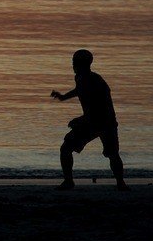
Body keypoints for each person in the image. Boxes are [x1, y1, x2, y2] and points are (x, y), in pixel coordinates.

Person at [51, 49, 128, 191]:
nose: (72, 65)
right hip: (98, 121)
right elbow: (78, 90)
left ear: (83, 64)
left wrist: (79, 120)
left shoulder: (93, 81)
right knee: (68, 148)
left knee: (110, 153)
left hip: (104, 121)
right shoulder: (81, 77)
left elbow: (98, 109)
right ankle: (69, 181)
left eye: (75, 62)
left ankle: (120, 183)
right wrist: (63, 97)